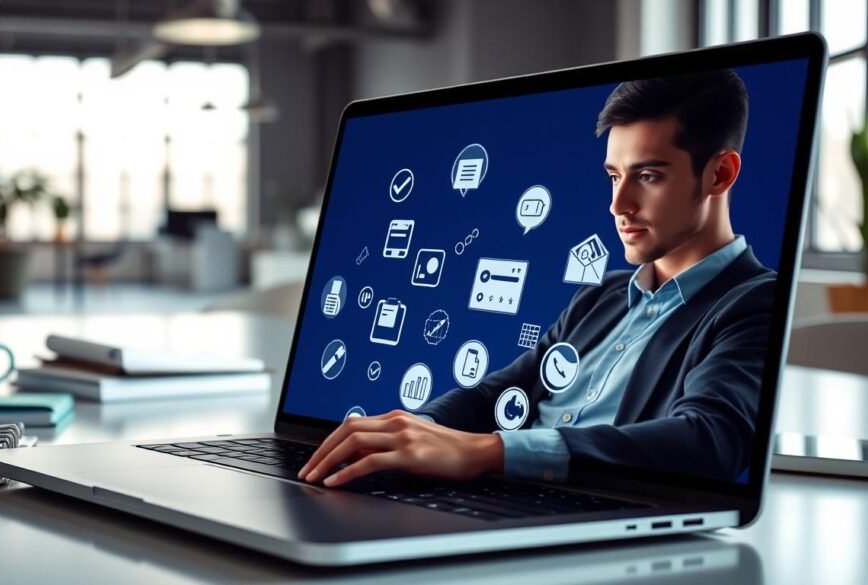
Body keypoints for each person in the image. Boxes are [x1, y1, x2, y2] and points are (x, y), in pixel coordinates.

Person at [299, 69, 774, 488]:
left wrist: (487, 453)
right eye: (613, 177)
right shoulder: (604, 296)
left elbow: (711, 440)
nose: (618, 205)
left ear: (720, 174)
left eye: (647, 176)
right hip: (499, 496)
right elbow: (497, 393)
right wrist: (410, 436)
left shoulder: (753, 302)